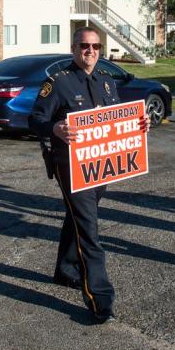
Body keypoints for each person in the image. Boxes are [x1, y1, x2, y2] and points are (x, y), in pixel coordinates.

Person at [29, 27, 150, 323]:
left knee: (79, 215)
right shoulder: (57, 82)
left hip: (100, 166)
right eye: (84, 45)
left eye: (96, 46)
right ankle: (99, 296)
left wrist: (140, 123)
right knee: (89, 226)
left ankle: (65, 270)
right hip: (68, 164)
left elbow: (115, 119)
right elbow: (35, 119)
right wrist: (54, 128)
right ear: (73, 48)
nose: (91, 50)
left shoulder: (107, 83)